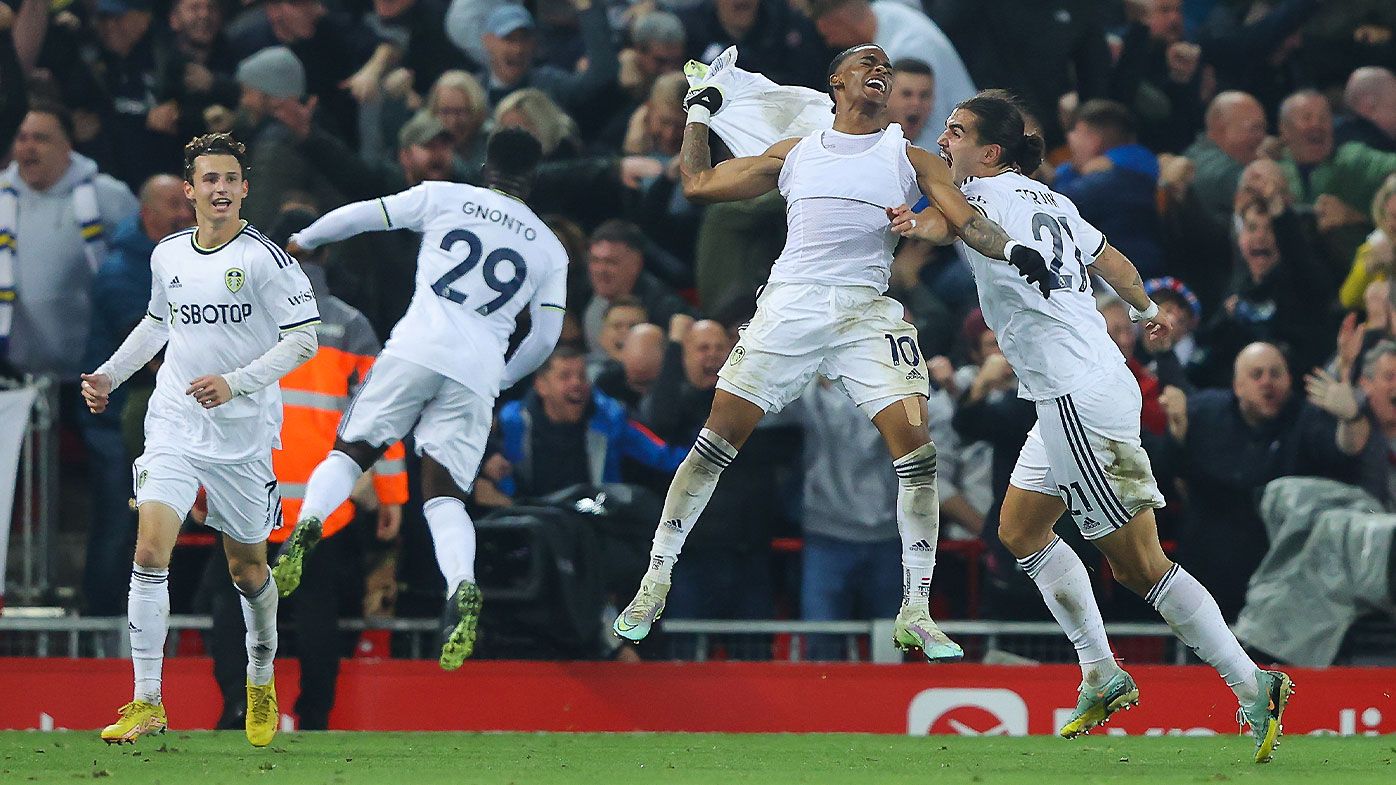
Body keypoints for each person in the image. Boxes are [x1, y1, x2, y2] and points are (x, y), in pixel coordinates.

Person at [611, 44, 1053, 663]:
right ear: (837, 82)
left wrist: (1009, 250)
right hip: (790, 304)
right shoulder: (798, 152)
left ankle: (917, 611)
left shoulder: (909, 154)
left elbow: (963, 218)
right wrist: (698, 114)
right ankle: (653, 583)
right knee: (716, 442)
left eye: (887, 69)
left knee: (918, 452)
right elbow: (699, 184)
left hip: (865, 310)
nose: (880, 71)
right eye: (867, 63)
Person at [895, 90, 1292, 762]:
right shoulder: (1052, 200)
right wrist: (1144, 311)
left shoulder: (982, 199)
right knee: (1020, 527)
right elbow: (1118, 266)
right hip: (1072, 391)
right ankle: (1101, 672)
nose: (945, 141)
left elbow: (950, 222)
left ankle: (1252, 681)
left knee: (1141, 564)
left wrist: (899, 182)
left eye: (956, 132)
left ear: (990, 152)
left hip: (1079, 397)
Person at [270, 128, 569, 672]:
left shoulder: (444, 195)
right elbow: (545, 339)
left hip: (416, 347)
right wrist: (500, 379)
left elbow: (361, 214)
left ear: (486, 166)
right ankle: (462, 586)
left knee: (350, 452)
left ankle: (307, 524)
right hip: (477, 370)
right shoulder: (550, 247)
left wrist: (306, 238)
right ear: (534, 178)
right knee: (445, 498)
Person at [82, 133, 322, 747]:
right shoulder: (168, 256)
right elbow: (158, 322)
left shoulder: (267, 259)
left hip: (242, 436)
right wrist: (111, 374)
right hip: (175, 424)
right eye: (208, 179)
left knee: (247, 572)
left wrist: (238, 384)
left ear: (245, 188)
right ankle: (146, 700)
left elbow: (304, 338)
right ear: (189, 191)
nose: (220, 189)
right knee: (148, 553)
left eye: (230, 179)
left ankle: (261, 675)